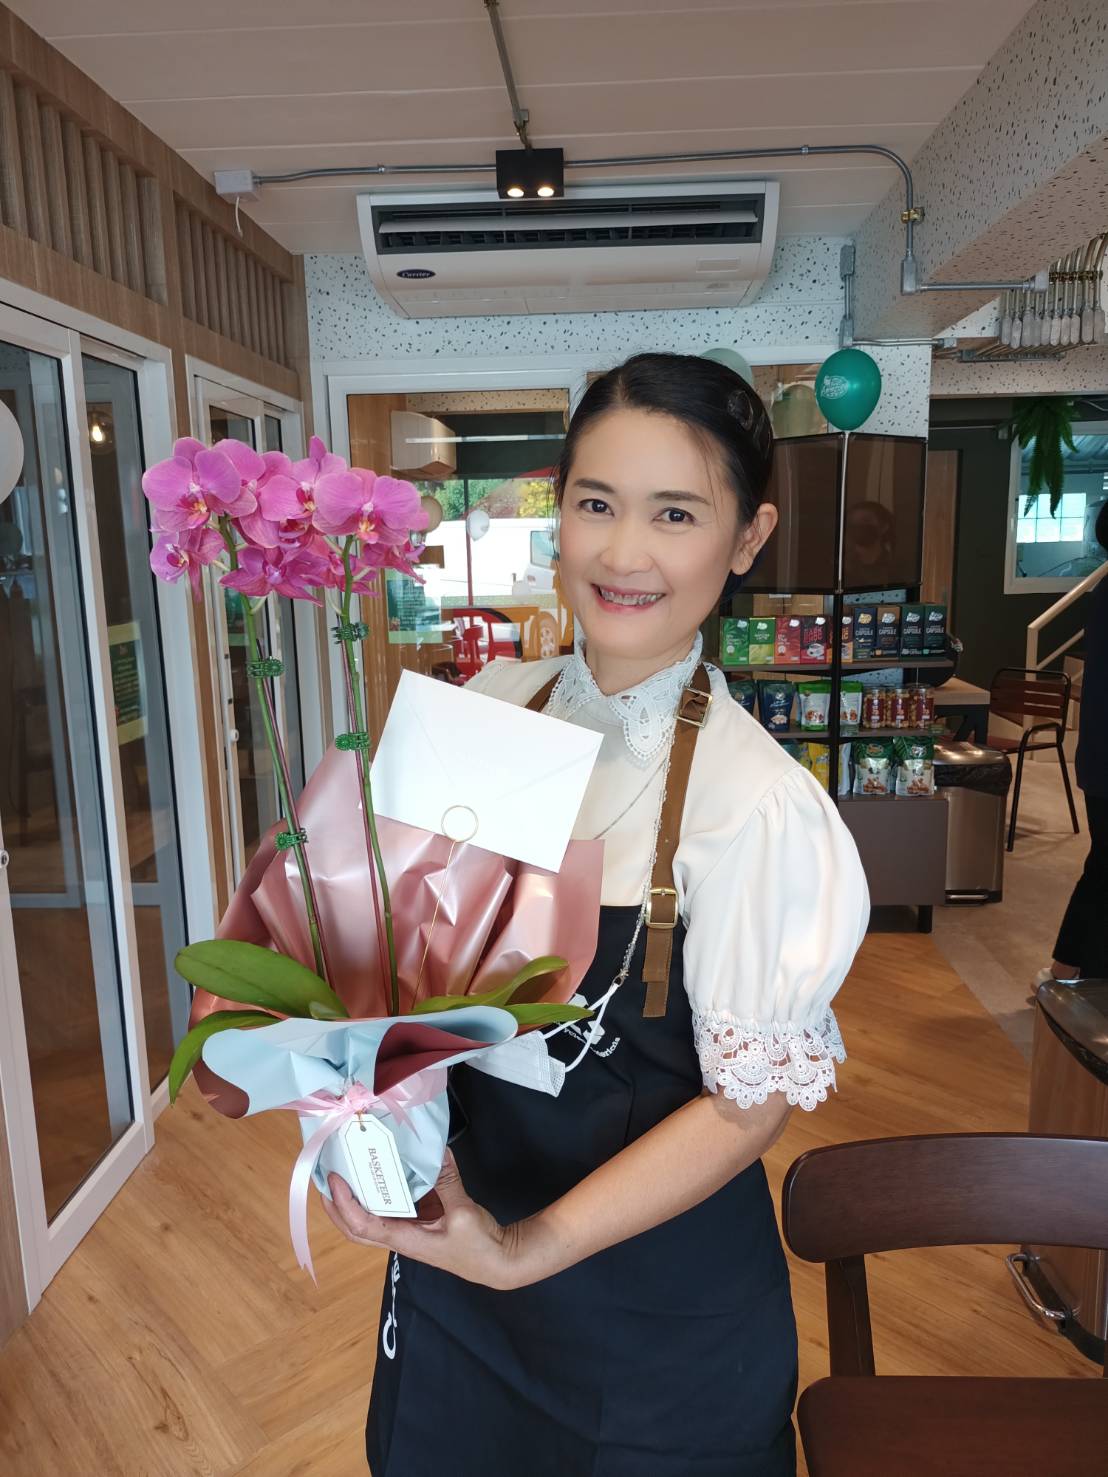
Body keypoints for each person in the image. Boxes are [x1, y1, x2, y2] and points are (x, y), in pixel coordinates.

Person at [324, 352, 870, 1475]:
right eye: (596, 504)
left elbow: (744, 1112)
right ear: (558, 512)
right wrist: (359, 1127)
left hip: (653, 1326)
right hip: (458, 1263)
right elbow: (389, 973)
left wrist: (525, 1248)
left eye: (676, 513)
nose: (624, 554)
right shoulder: (486, 709)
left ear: (749, 536)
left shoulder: (759, 806)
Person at [1041, 499, 1108, 984]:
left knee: (1102, 864)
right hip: (1103, 758)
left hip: (1097, 756)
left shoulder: (1102, 593)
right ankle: (1078, 975)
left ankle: (1070, 968)